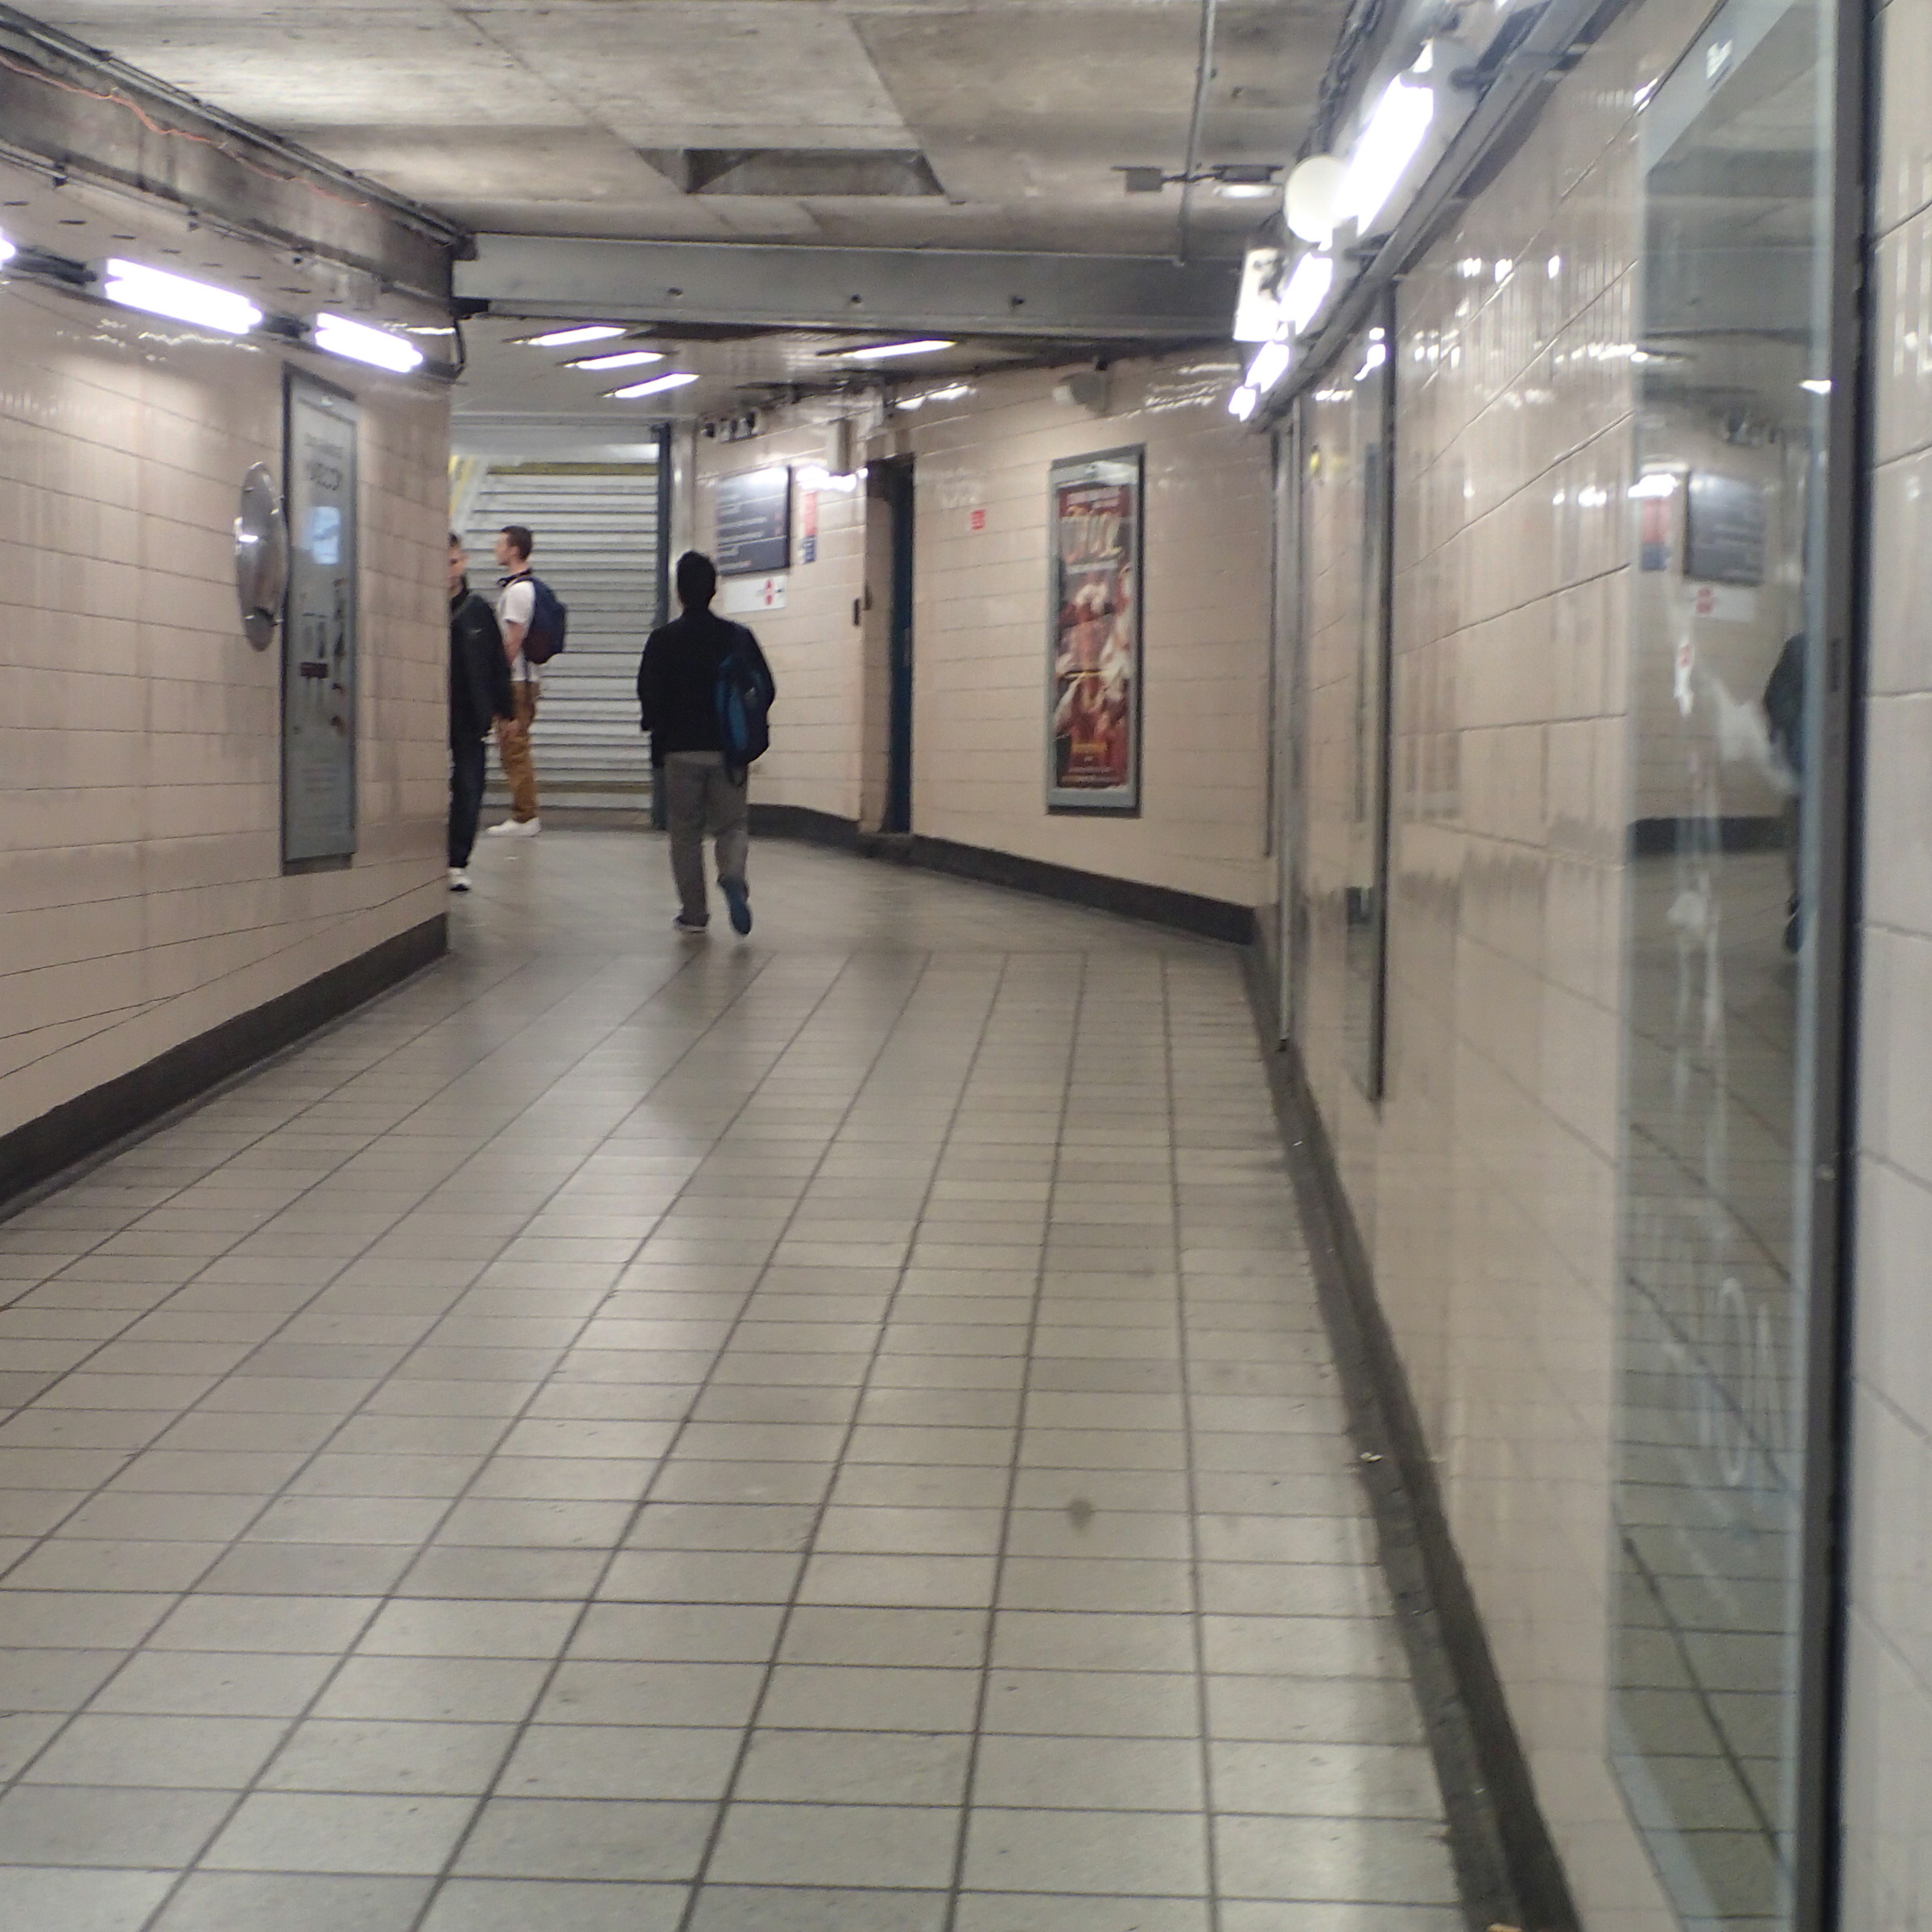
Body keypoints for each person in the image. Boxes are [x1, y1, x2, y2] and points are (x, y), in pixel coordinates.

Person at [637, 550, 775, 937]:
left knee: (685, 833)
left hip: (680, 750)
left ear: (679, 591)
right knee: (732, 825)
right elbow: (765, 688)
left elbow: (648, 693)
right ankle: (732, 875)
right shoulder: (738, 637)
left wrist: (659, 730)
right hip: (729, 750)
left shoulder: (663, 640)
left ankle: (694, 914)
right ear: (714, 590)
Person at [448, 534, 514, 891]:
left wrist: (506, 711)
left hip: (470, 713)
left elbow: (496, 663)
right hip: (432, 712)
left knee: (469, 787)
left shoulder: (477, 611)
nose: (449, 571)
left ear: (464, 562)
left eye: (454, 562)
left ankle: (457, 860)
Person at [484, 523, 543, 837]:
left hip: (517, 681)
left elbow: (513, 639)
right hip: (523, 679)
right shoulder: (521, 587)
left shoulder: (518, 591)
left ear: (514, 550)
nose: (496, 549)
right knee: (513, 746)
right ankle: (524, 813)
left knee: (514, 747)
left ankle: (525, 816)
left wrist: (498, 675)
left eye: (501, 544)